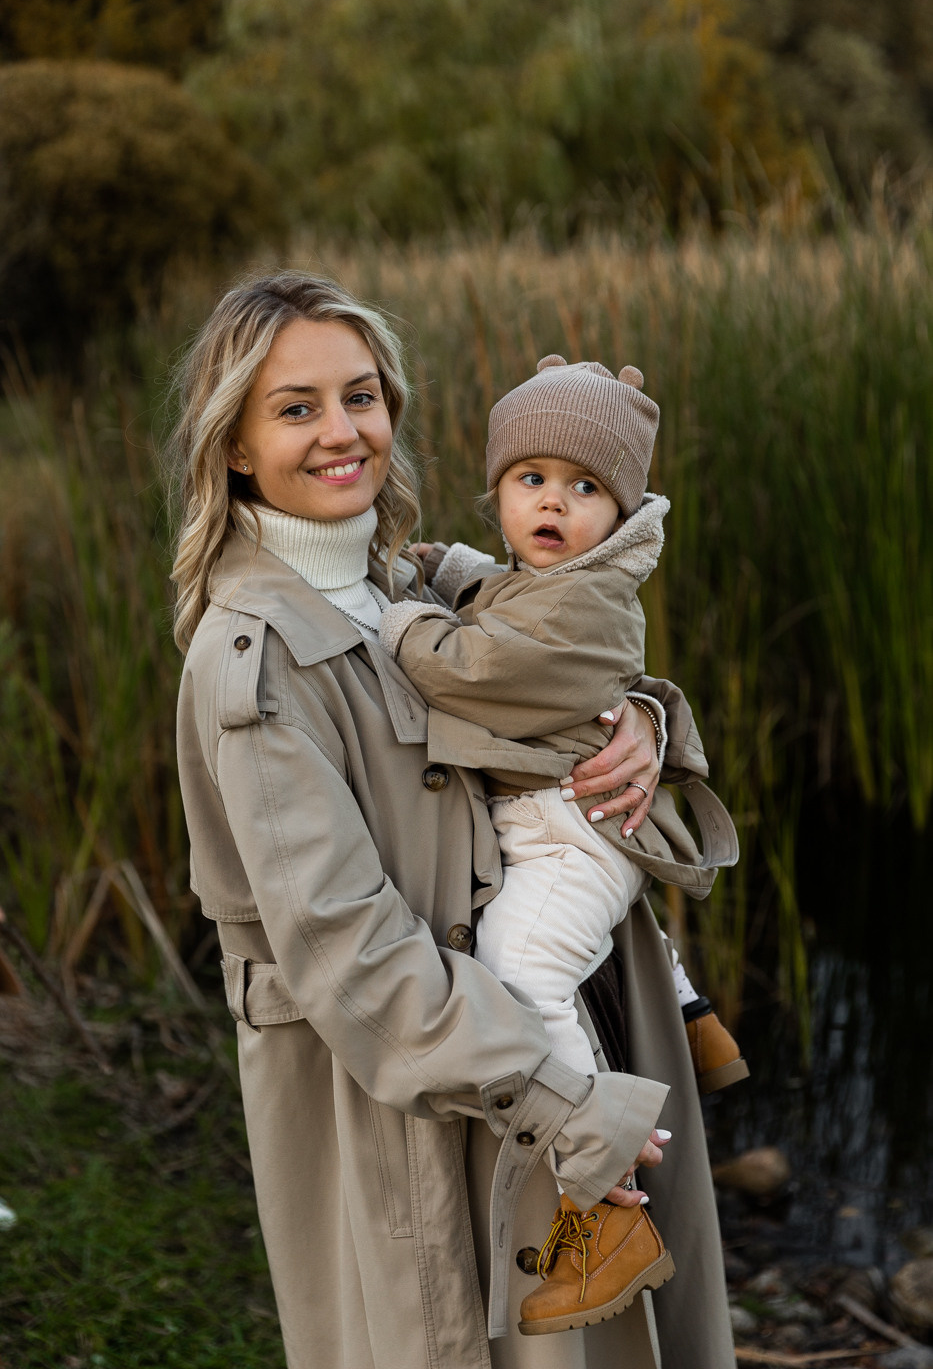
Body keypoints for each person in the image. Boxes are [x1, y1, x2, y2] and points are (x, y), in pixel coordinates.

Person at [169, 270, 736, 1369]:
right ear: (233, 442)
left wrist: (654, 723)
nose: (344, 432)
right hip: (439, 1090)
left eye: (363, 394)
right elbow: (354, 955)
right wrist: (567, 1102)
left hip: (540, 1043)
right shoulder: (257, 660)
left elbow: (570, 656)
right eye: (297, 407)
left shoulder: (403, 581)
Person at [378, 354, 746, 1334]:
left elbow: (468, 660)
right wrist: (436, 567)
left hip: (572, 831)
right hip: (567, 820)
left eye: (587, 488)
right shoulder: (548, 577)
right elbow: (486, 583)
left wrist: (399, 609)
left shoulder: (584, 601)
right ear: (497, 489)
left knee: (518, 966)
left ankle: (605, 1192)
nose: (555, 502)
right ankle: (695, 1012)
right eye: (531, 479)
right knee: (566, 930)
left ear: (621, 513)